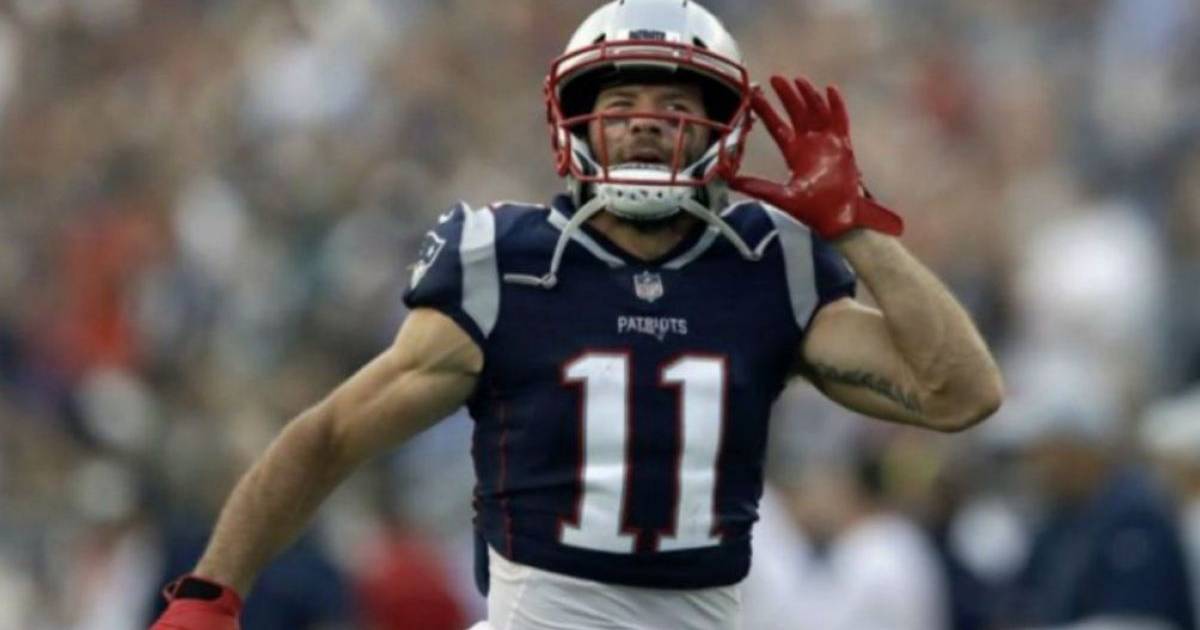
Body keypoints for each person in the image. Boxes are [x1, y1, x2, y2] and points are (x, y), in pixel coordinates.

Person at [150, 1, 1003, 628]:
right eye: (622, 107)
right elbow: (332, 434)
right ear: (578, 125)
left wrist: (854, 228)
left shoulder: (767, 267)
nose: (644, 128)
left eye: (675, 109)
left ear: (721, 132)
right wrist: (212, 590)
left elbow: (959, 393)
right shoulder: (505, 264)